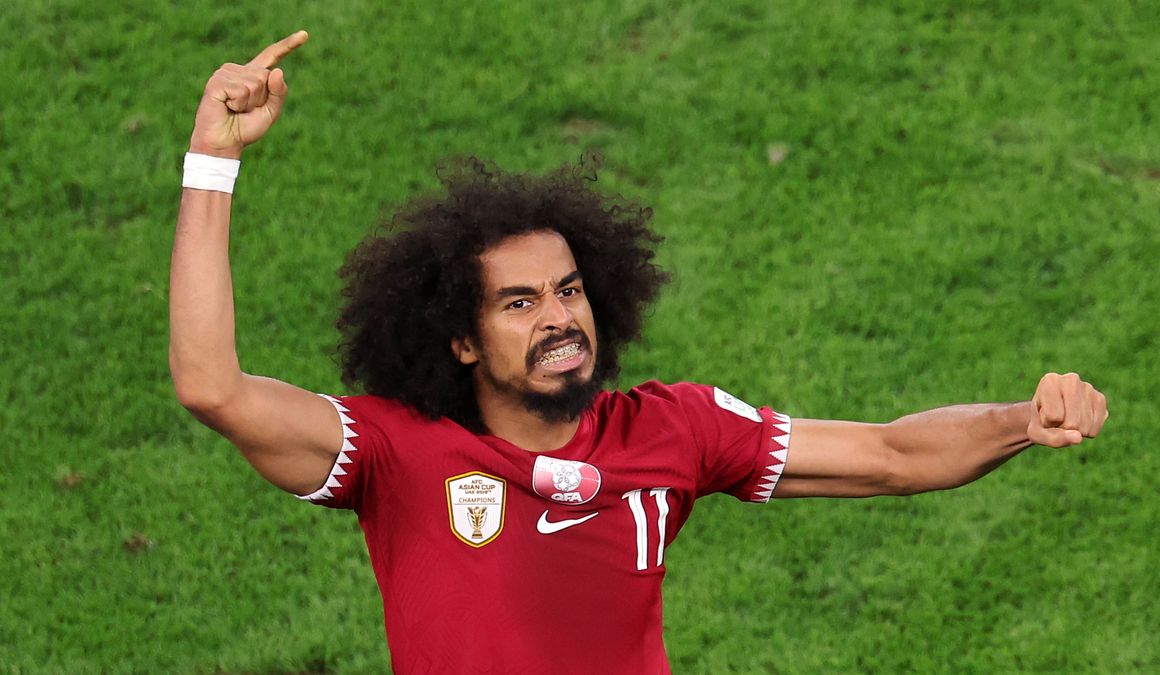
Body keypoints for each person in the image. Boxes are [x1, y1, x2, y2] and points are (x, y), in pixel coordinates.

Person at [170, 32, 1109, 674]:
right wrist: (215, 158)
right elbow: (211, 385)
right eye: (520, 301)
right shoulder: (395, 454)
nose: (559, 317)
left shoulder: (676, 429)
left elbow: (895, 454)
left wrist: (1022, 421)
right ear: (459, 336)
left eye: (571, 289)